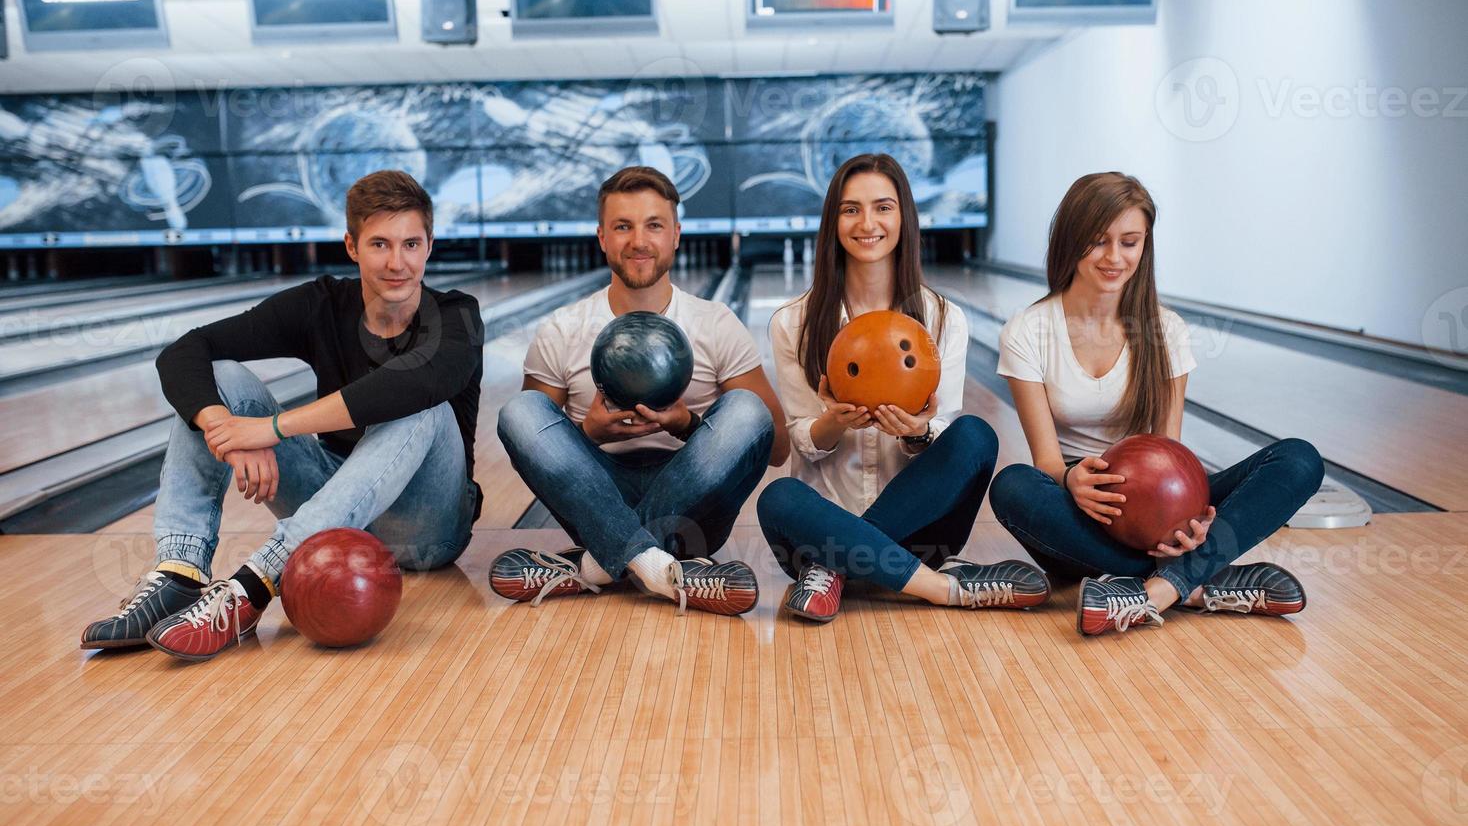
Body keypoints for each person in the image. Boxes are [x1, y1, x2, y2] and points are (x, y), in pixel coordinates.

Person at [80, 169, 485, 661]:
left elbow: (413, 385)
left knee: (422, 404)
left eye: (410, 244)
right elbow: (185, 351)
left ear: (429, 246)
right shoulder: (321, 305)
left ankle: (257, 579)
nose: (397, 262)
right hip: (331, 499)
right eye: (379, 244)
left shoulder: (458, 314)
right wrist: (223, 428)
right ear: (352, 246)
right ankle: (178, 574)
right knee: (223, 378)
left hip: (425, 528)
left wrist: (270, 428)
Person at [988, 171, 1324, 636]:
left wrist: (1191, 519)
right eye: (1098, 241)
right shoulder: (1028, 330)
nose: (1114, 257)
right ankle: (1198, 583)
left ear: (1145, 246)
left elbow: (1170, 452)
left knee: (1298, 459)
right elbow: (1045, 460)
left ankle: (1157, 591)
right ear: (1071, 239)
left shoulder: (1166, 331)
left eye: (1129, 242)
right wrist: (1071, 478)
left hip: (1160, 504)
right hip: (1083, 511)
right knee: (1012, 487)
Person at [755, 153, 1050, 623]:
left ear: (904, 217)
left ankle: (836, 572)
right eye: (850, 209)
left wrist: (916, 431)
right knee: (779, 498)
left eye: (882, 207)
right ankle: (944, 589)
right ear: (832, 221)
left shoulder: (943, 318)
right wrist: (832, 423)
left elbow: (946, 438)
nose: (866, 222)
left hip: (919, 534)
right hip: (820, 528)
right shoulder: (793, 323)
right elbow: (803, 442)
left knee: (975, 434)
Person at [493, 166, 789, 616]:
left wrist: (688, 425)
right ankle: (663, 568)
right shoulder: (562, 329)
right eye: (623, 226)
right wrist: (587, 432)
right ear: (602, 237)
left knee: (748, 410)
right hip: (597, 493)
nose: (638, 240)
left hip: (694, 507)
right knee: (520, 411)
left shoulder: (715, 323)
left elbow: (777, 447)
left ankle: (597, 564)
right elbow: (535, 442)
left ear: (675, 235)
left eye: (653, 225)